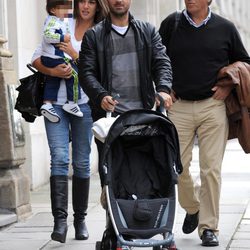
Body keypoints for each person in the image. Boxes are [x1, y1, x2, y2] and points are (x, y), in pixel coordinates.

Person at [159, 0, 250, 247]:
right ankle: (193, 207)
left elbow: (245, 63)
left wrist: (226, 85)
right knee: (177, 166)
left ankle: (209, 227)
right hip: (178, 107)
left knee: (211, 169)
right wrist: (164, 89)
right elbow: (156, 59)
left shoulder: (226, 28)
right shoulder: (171, 24)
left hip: (213, 107)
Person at [31, 0, 109, 243]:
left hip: (84, 105)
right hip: (55, 104)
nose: (85, 6)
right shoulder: (61, 22)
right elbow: (37, 57)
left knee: (82, 163)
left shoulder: (101, 32)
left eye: (91, 2)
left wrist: (76, 56)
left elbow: (103, 70)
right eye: (81, 1)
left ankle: (80, 220)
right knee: (60, 158)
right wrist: (53, 72)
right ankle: (60, 222)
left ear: (97, 6)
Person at [78, 0, 173, 188]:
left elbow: (162, 62)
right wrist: (100, 95)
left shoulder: (147, 31)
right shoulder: (93, 36)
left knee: (146, 176)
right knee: (112, 180)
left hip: (143, 117)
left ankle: (144, 213)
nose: (119, 0)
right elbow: (86, 73)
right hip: (110, 120)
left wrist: (163, 89)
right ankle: (112, 214)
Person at [40, 0, 83, 123]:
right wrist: (62, 37)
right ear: (53, 10)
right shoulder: (52, 20)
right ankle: (72, 103)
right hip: (53, 57)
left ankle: (47, 103)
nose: (68, 11)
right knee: (74, 75)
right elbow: (47, 35)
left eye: (69, 8)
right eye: (64, 9)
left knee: (53, 80)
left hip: (52, 57)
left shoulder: (59, 21)